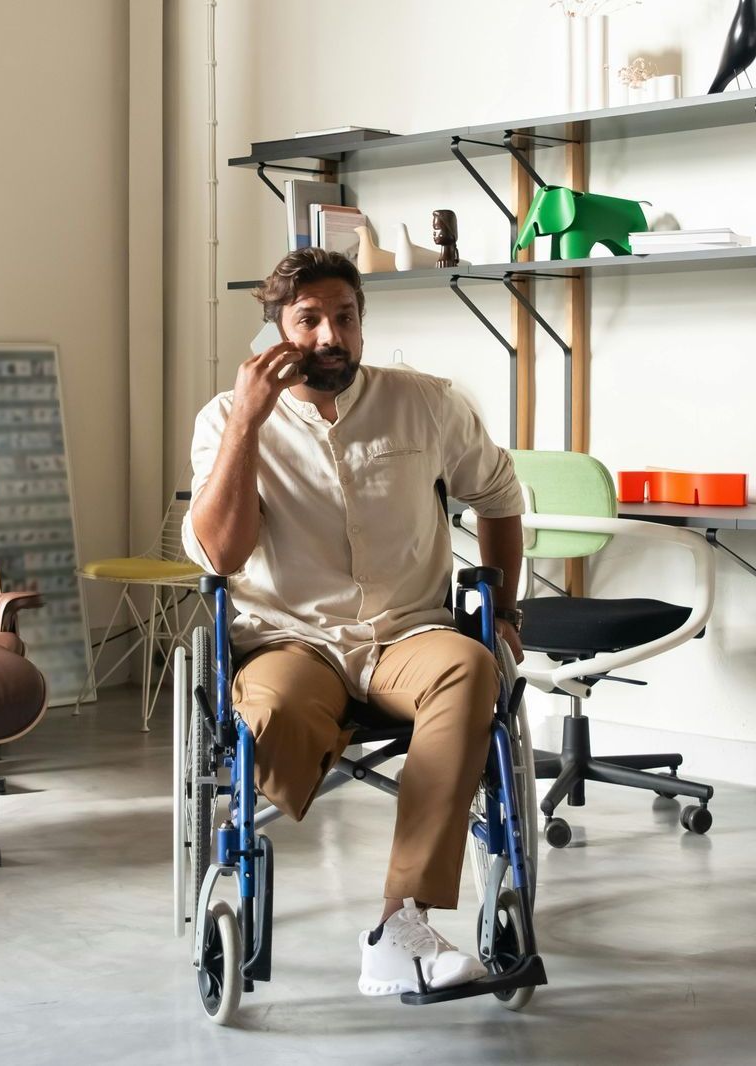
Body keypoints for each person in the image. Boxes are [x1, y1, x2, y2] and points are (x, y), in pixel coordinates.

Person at [182, 247, 526, 996]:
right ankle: (299, 766)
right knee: (269, 716)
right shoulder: (225, 418)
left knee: (473, 668)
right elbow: (218, 551)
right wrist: (248, 422)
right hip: (288, 637)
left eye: (345, 317)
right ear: (274, 330)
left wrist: (509, 610)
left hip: (408, 632)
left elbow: (498, 492)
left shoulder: (426, 402)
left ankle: (400, 923)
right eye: (308, 320)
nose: (329, 336)